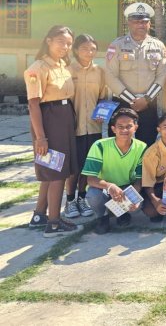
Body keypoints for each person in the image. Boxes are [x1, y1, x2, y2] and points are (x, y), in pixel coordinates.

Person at [25, 25, 80, 237]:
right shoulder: (37, 68)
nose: (65, 47)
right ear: (48, 41)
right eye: (61, 42)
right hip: (49, 119)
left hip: (64, 117)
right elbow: (33, 105)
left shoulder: (62, 66)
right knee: (57, 171)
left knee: (52, 170)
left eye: (68, 44)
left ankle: (39, 215)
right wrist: (40, 137)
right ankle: (54, 222)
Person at [104, 2, 166, 147]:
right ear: (129, 23)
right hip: (123, 104)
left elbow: (162, 75)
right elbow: (110, 75)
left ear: (149, 24)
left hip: (148, 105)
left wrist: (146, 99)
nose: (140, 24)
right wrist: (132, 100)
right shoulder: (117, 45)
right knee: (120, 145)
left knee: (146, 145)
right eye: (136, 21)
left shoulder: (158, 46)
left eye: (144, 21)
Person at [81, 108, 147, 234]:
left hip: (127, 187)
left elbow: (140, 178)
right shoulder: (100, 145)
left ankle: (121, 213)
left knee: (139, 207)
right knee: (93, 195)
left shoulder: (142, 147)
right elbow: (91, 179)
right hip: (104, 187)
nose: (124, 130)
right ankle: (102, 218)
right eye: (120, 126)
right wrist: (110, 186)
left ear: (135, 127)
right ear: (113, 129)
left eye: (129, 126)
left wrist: (134, 197)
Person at [64, 33, 106, 220]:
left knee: (88, 168)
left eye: (92, 49)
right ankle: (70, 201)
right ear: (75, 50)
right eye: (84, 48)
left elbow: (103, 97)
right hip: (73, 127)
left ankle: (82, 198)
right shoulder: (68, 70)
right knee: (74, 167)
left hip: (93, 128)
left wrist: (102, 113)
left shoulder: (100, 71)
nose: (89, 52)